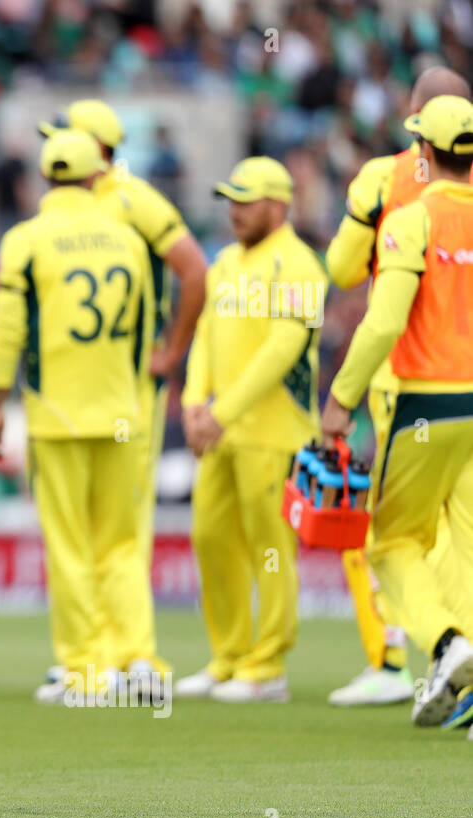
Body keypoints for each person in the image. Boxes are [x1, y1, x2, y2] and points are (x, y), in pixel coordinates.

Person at [0, 129, 155, 704]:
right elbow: (145, 327)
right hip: (120, 413)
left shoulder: (26, 240)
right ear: (95, 176)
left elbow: (7, 329)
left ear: (46, 180)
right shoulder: (128, 238)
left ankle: (86, 671)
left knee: (70, 545)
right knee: (122, 545)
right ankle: (138, 661)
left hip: (56, 417)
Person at [38, 100, 207, 688]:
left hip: (121, 392)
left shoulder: (132, 197)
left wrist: (171, 352)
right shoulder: (109, 201)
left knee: (113, 527)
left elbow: (194, 269)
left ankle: (118, 657)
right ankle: (113, 657)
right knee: (107, 528)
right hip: (96, 390)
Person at [322, 94, 473, 736]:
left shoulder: (411, 219)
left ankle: (446, 644)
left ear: (422, 149)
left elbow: (383, 320)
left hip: (425, 404)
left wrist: (340, 399)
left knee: (391, 543)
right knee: (465, 543)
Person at [177, 157, 326, 703]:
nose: (234, 211)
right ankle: (230, 657)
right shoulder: (223, 263)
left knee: (269, 549)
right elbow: (204, 340)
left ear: (278, 204)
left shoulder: (302, 265)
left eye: (246, 200)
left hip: (274, 433)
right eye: (231, 200)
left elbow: (283, 352)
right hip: (222, 431)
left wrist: (220, 411)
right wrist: (195, 404)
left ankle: (268, 668)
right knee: (211, 539)